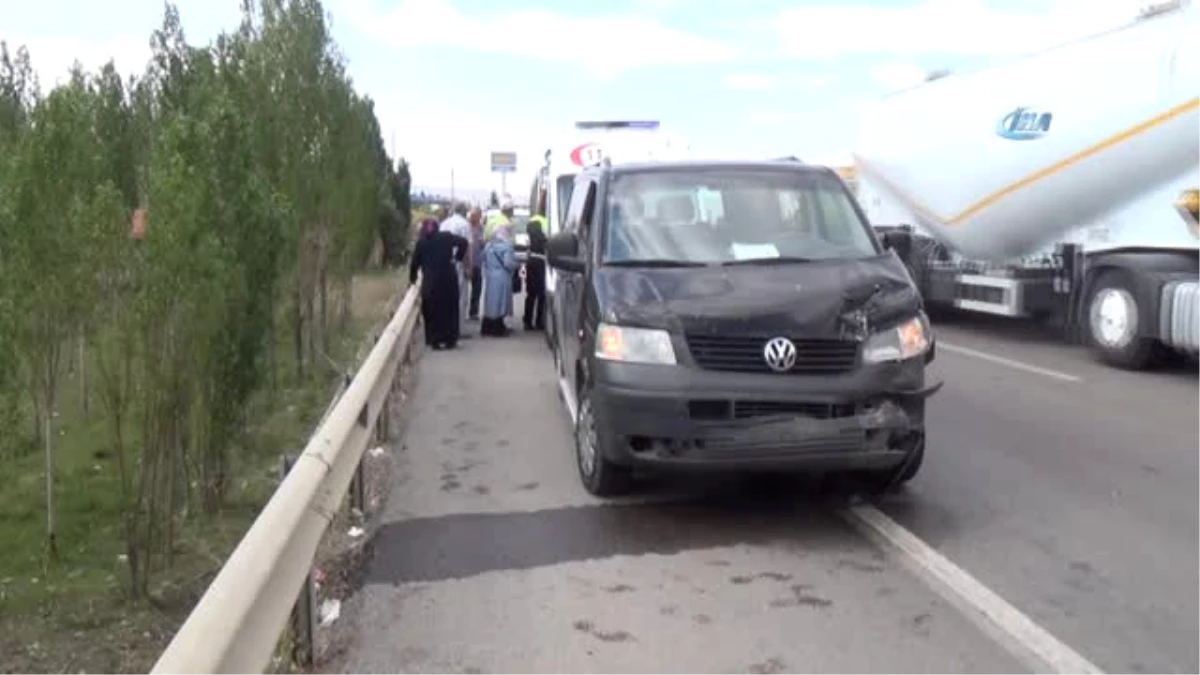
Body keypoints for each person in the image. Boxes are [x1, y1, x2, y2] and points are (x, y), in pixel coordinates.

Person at [409, 217, 469, 349]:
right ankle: (450, 339)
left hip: (431, 282)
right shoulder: (446, 237)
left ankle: (434, 340)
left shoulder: (422, 243)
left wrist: (412, 279)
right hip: (448, 279)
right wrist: (457, 258)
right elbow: (464, 242)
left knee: (432, 310)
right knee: (449, 309)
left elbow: (414, 264)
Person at [480, 219, 519, 337]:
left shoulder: (489, 245)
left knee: (491, 302)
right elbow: (508, 263)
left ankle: (488, 326)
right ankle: (498, 327)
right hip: (502, 277)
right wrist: (516, 265)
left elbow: (483, 259)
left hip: (491, 276)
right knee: (501, 302)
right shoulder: (507, 246)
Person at [440, 202, 473, 337]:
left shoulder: (444, 223)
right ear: (464, 212)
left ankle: (446, 328)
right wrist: (468, 267)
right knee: (461, 297)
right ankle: (458, 330)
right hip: (458, 263)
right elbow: (467, 247)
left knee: (446, 296)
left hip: (444, 262)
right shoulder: (465, 225)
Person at [523, 214, 548, 331]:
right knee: (541, 295)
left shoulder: (530, 239)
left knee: (530, 295)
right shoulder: (543, 238)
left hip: (531, 264)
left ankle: (527, 321)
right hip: (541, 265)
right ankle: (539, 321)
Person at [467, 206, 485, 320]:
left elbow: (483, 243)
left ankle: (474, 312)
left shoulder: (481, 228)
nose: (476, 218)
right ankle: (461, 311)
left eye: (478, 216)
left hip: (477, 263)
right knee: (463, 290)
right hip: (466, 263)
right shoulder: (466, 227)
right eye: (474, 216)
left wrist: (483, 242)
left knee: (477, 288)